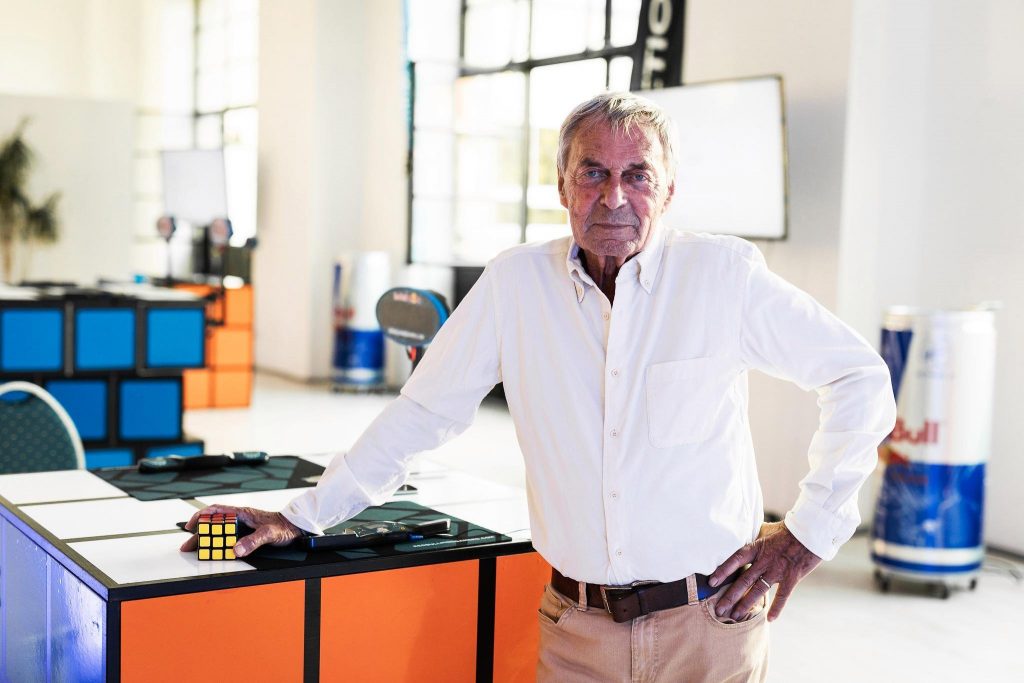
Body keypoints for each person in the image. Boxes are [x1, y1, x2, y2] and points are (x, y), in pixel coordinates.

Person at [182, 92, 897, 682]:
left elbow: (860, 377)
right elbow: (422, 413)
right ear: (561, 186)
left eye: (638, 175)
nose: (614, 195)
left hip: (709, 630)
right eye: (592, 173)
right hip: (578, 633)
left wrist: (808, 531)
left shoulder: (723, 278)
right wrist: (305, 514)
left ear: (668, 190)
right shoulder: (515, 285)